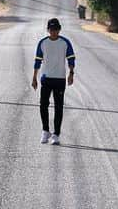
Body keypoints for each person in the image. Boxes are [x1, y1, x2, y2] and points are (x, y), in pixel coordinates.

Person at [31, 17, 75, 145]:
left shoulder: (65, 42)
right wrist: (34, 77)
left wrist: (71, 74)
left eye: (55, 29)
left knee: (58, 107)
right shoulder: (43, 43)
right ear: (48, 30)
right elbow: (37, 61)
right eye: (51, 30)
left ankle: (56, 134)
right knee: (43, 105)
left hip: (60, 79)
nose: (53, 32)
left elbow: (71, 59)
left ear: (59, 29)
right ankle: (45, 131)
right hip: (46, 78)